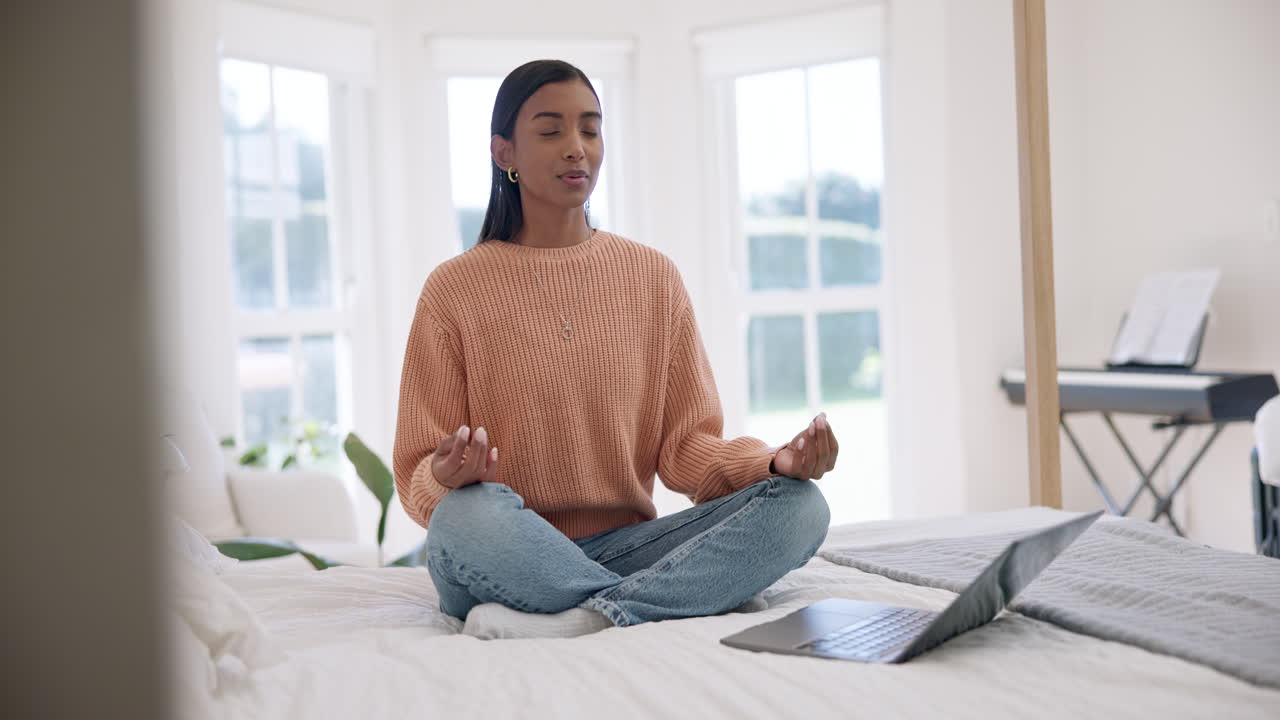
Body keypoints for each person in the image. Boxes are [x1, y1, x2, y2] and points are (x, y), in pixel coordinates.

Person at [392, 59, 838, 640]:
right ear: (505, 154)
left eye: (590, 129)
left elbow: (684, 447)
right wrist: (448, 476)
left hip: (627, 547)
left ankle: (586, 616)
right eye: (550, 131)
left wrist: (772, 464)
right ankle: (671, 597)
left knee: (801, 509)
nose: (576, 148)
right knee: (465, 519)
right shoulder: (453, 289)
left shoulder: (652, 277)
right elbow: (415, 470)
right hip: (503, 545)